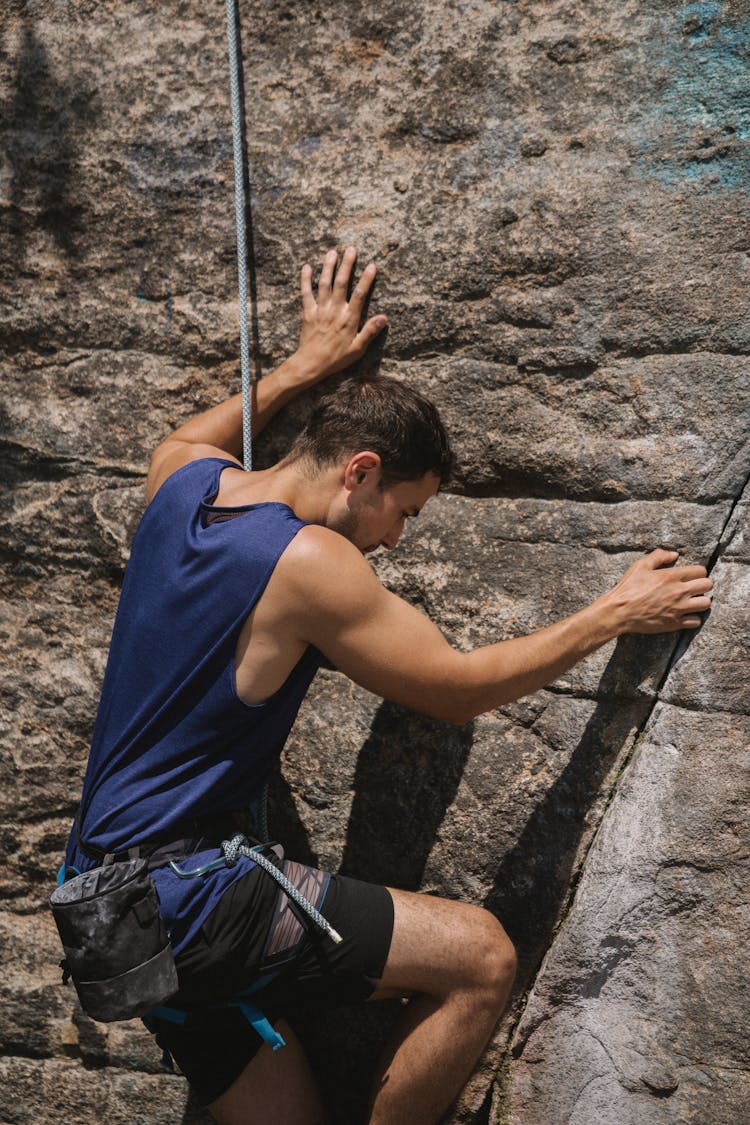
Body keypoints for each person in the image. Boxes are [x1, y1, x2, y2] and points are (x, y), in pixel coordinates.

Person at [63, 247, 713, 1125]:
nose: (396, 540)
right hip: (195, 903)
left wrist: (305, 365)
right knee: (481, 957)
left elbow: (185, 437)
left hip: (109, 908)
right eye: (403, 511)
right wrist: (613, 612)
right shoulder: (308, 562)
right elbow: (454, 686)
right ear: (359, 470)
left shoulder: (180, 488)